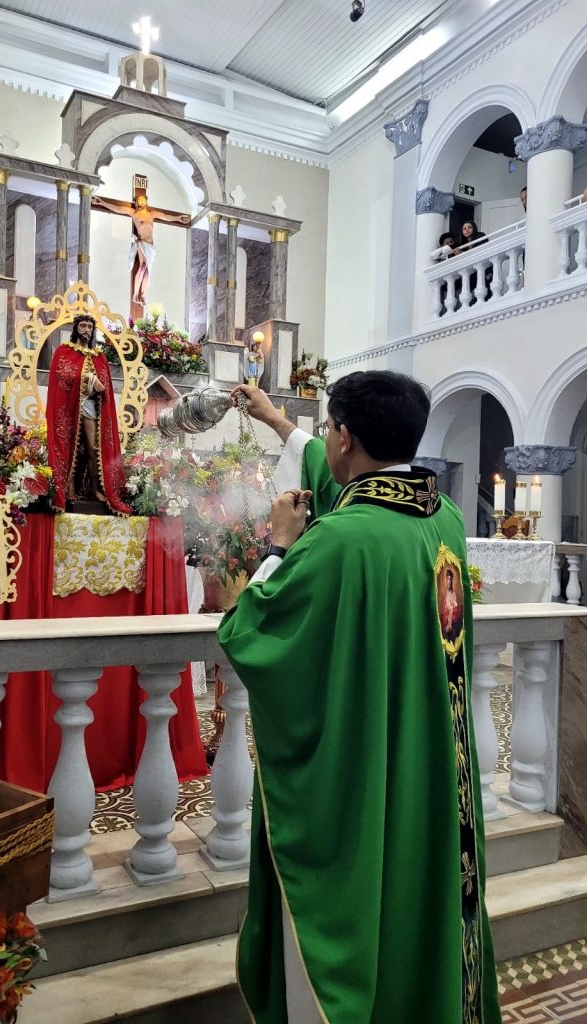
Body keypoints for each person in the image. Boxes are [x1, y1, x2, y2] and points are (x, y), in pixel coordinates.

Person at [219, 373, 501, 1024]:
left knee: (352, 930)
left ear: (345, 436)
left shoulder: (338, 544)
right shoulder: (444, 521)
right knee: (421, 913)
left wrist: (278, 547)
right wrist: (279, 425)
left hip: (368, 783)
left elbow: (251, 630)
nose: (322, 442)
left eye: (325, 429)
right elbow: (352, 487)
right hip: (432, 781)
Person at [46, 314, 131, 515]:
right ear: (76, 329)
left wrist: (96, 383)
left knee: (93, 446)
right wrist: (88, 379)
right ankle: (68, 488)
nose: (86, 330)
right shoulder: (64, 352)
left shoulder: (98, 356)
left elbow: (106, 385)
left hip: (92, 408)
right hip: (70, 409)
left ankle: (95, 488)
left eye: (90, 327)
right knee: (70, 445)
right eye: (83, 326)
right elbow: (62, 376)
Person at [91, 192, 191, 310]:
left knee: (148, 271)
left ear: (147, 202)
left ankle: (142, 295)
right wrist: (102, 202)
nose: (142, 201)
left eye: (144, 199)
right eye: (140, 200)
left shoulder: (152, 214)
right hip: (141, 243)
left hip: (151, 246)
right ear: (137, 203)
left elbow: (165, 216)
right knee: (142, 266)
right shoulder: (134, 213)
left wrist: (178, 218)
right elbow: (118, 209)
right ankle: (135, 295)